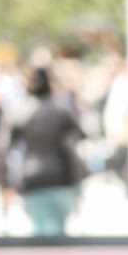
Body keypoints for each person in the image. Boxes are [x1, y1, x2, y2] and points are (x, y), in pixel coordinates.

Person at [7, 66, 86, 236]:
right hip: (59, 177)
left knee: (41, 232)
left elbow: (6, 147)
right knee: (56, 233)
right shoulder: (60, 112)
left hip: (34, 178)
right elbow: (79, 136)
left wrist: (6, 181)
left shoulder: (21, 113)